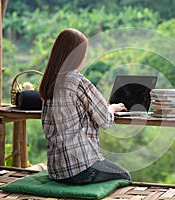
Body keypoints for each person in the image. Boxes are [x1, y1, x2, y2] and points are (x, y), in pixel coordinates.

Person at [39, 28, 131, 185]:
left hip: (56, 170)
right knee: (125, 176)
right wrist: (113, 108)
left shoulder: (49, 82)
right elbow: (105, 121)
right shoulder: (77, 80)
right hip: (81, 169)